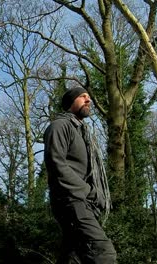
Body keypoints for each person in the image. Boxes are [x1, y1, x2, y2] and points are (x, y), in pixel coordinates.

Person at [44, 87, 116, 263]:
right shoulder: (60, 126)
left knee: (74, 256)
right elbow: (56, 163)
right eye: (82, 97)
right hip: (71, 199)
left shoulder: (83, 133)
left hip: (83, 201)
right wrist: (88, 191)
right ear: (70, 102)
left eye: (89, 97)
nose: (88, 100)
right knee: (103, 252)